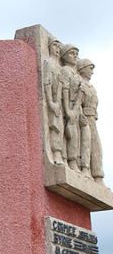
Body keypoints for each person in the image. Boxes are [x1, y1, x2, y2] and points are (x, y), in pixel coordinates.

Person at [78, 58, 104, 184]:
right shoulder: (81, 85)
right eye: (90, 69)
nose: (92, 72)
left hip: (93, 118)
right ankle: (85, 169)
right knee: (86, 144)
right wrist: (80, 115)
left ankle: (98, 176)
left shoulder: (92, 88)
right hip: (85, 119)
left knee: (96, 147)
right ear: (82, 69)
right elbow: (77, 102)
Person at [60, 44, 83, 171]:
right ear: (64, 56)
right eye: (71, 53)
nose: (75, 56)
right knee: (70, 134)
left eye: (76, 54)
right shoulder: (65, 70)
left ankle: (77, 162)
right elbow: (64, 89)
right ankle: (71, 160)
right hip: (68, 105)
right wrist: (68, 110)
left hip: (77, 108)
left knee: (78, 137)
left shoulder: (77, 74)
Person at [43, 36, 64, 164]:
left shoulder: (59, 67)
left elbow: (62, 86)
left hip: (59, 101)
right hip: (53, 100)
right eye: (55, 46)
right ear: (49, 47)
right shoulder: (49, 63)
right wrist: (51, 102)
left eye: (58, 47)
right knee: (55, 126)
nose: (57, 49)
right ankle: (56, 153)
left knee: (61, 127)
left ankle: (61, 154)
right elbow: (47, 83)